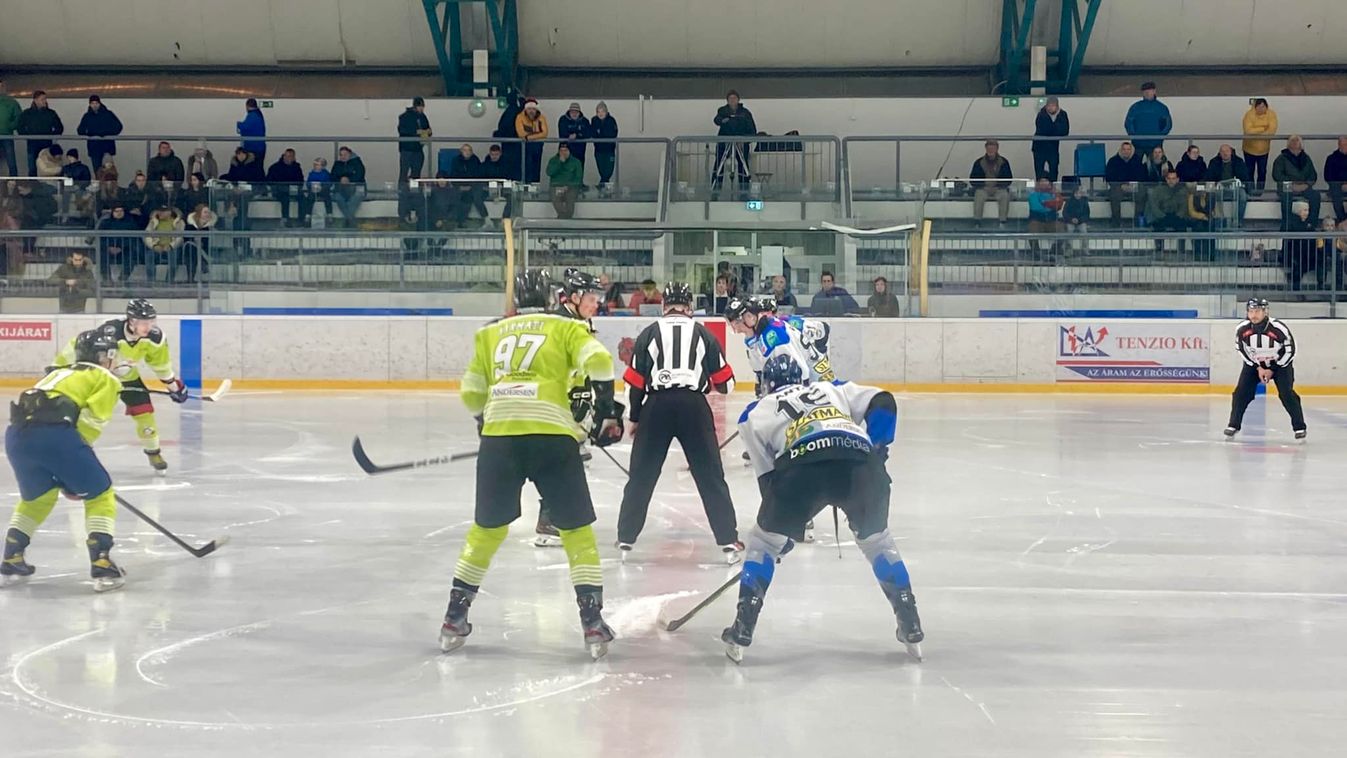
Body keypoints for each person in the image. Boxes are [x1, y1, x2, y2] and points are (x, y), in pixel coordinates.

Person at [441, 269, 623, 659]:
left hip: (500, 439)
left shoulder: (489, 333)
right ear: (551, 295)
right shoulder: (566, 327)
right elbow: (601, 361)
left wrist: (484, 422)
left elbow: (472, 391)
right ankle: (592, 623)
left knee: (485, 531)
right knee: (576, 532)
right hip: (553, 438)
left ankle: (454, 616)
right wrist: (607, 412)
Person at [723, 353, 923, 663]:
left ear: (766, 384)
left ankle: (743, 625)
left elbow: (769, 482)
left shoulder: (753, 413)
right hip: (860, 463)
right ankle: (909, 619)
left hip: (801, 467)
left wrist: (783, 533)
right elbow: (884, 400)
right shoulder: (833, 388)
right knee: (877, 541)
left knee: (763, 543)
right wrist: (876, 449)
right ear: (805, 380)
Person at [616, 281, 740, 561]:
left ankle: (625, 537)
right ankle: (728, 540)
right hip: (693, 407)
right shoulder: (703, 334)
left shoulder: (648, 333)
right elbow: (726, 384)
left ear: (664, 306)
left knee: (641, 476)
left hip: (656, 407)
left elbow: (636, 383)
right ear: (690, 307)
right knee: (710, 475)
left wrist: (635, 417)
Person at [2, 330, 130, 592]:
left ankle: (12, 557)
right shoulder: (105, 377)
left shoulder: (58, 372)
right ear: (101, 357)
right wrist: (74, 474)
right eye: (110, 355)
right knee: (100, 493)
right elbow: (90, 424)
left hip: (16, 436)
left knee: (37, 499)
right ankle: (102, 563)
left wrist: (66, 472)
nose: (112, 361)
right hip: (55, 436)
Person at [51, 299, 187, 474]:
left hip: (128, 377)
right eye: (143, 322)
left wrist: (173, 387)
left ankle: (154, 453)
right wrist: (57, 368)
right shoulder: (110, 332)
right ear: (131, 321)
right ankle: (76, 452)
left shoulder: (155, 337)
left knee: (144, 412)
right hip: (102, 378)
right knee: (93, 415)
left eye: (151, 321)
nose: (148, 326)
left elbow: (161, 365)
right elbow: (81, 349)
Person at [1225, 298, 1304, 440]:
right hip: (1254, 366)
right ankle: (1233, 425)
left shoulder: (1279, 328)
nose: (1253, 315)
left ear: (1265, 312)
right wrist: (1258, 367)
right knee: (1241, 393)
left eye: (1257, 311)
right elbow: (1241, 349)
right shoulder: (1242, 329)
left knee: (1287, 394)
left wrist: (1273, 368)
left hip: (1280, 365)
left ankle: (1299, 427)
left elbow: (1290, 351)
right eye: (1250, 311)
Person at [712, 90, 757, 197]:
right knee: (719, 164)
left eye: (734, 98)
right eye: (730, 98)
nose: (732, 100)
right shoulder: (722, 111)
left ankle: (744, 191)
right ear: (727, 100)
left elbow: (752, 129)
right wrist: (723, 121)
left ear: (738, 100)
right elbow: (716, 120)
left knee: (743, 165)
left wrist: (745, 140)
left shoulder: (745, 113)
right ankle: (715, 190)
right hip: (724, 142)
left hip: (741, 143)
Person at [1272, 135, 1320, 224]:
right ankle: (1287, 224)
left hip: (1304, 186)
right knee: (1286, 196)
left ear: (1301, 144)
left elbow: (1313, 175)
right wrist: (1292, 185)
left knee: (1316, 196)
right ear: (1288, 144)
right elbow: (1277, 175)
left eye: (1296, 141)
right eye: (1292, 141)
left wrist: (1306, 185)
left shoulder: (1306, 158)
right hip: (1287, 186)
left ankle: (1311, 223)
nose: (1294, 143)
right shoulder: (1281, 158)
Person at [16, 91, 63, 176]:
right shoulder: (27, 113)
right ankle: (34, 188)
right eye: (42, 99)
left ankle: (48, 188)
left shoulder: (51, 113)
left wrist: (50, 136)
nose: (45, 101)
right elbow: (20, 127)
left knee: (47, 168)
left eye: (45, 99)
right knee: (33, 168)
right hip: (32, 145)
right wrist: (28, 136)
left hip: (46, 146)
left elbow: (59, 127)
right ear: (35, 100)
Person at [1205, 144, 1251, 228]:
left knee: (1243, 195)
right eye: (1222, 151)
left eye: (1227, 151)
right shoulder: (1214, 162)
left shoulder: (1239, 161)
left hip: (1235, 188)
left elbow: (1245, 177)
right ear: (1219, 153)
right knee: (1213, 195)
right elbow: (1209, 177)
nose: (1225, 153)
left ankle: (1237, 221)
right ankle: (1219, 219)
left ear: (1231, 152)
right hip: (1220, 188)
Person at [970, 139, 1012, 225]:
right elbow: (972, 179)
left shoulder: (1004, 162)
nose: (991, 151)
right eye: (989, 149)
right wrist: (982, 186)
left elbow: (1009, 178)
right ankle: (977, 221)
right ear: (985, 149)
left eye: (993, 148)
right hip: (984, 188)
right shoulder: (979, 162)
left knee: (1004, 195)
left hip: (998, 188)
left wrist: (999, 185)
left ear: (997, 149)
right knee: (979, 195)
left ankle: (1002, 221)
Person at [447, 144, 490, 228]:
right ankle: (455, 221)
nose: (467, 152)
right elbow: (453, 176)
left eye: (469, 150)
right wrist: (460, 186)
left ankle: (486, 219)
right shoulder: (456, 160)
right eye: (465, 150)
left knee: (475, 196)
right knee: (460, 196)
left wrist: (470, 185)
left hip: (474, 185)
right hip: (459, 185)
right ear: (461, 151)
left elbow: (478, 175)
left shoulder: (475, 160)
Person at [96, 203, 142, 282]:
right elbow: (100, 238)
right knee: (101, 254)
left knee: (132, 255)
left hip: (125, 248)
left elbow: (134, 238)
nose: (119, 213)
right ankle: (106, 279)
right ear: (112, 213)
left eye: (121, 211)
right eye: (116, 211)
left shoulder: (130, 222)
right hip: (108, 248)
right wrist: (109, 247)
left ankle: (122, 280)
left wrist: (121, 247)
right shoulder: (105, 223)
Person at [76, 95, 122, 172]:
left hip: (104, 147)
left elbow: (119, 126)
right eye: (93, 103)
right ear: (90, 104)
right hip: (97, 148)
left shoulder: (107, 114)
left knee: (108, 172)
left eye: (96, 103)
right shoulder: (88, 116)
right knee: (98, 172)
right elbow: (80, 130)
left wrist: (105, 134)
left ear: (99, 103)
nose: (94, 105)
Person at [1105, 141, 1147, 226]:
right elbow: (1109, 177)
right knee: (1114, 194)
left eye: (1128, 149)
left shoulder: (1137, 161)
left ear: (1131, 150)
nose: (1126, 151)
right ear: (1121, 150)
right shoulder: (1113, 161)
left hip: (1133, 186)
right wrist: (1121, 185)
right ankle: (1116, 222)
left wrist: (1132, 185)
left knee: (1142, 192)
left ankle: (1137, 221)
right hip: (1118, 187)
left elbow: (1142, 176)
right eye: (1124, 149)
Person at [1124, 81, 1171, 155]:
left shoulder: (1162, 108)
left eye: (1150, 90)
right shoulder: (1135, 107)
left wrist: (1159, 137)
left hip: (1155, 145)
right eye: (1145, 91)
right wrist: (1135, 137)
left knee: (1155, 165)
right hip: (1138, 145)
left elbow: (1168, 125)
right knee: (1136, 165)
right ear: (1142, 93)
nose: (1147, 93)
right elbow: (1128, 123)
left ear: (1154, 91)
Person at [1242, 98, 1277, 194]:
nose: (1261, 109)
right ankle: (1250, 191)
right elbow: (1248, 131)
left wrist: (1256, 130)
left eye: (1263, 106)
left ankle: (1259, 192)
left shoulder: (1271, 114)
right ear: (1255, 107)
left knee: (1262, 172)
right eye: (1259, 106)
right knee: (1249, 171)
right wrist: (1263, 128)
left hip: (1264, 150)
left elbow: (1272, 131)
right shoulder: (1249, 115)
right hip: (1249, 149)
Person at [1147, 169, 1195, 237]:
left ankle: (1181, 247)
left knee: (1182, 227)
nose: (1171, 181)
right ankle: (1159, 247)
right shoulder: (1158, 190)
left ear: (1177, 179)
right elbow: (1154, 206)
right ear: (1166, 179)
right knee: (1157, 226)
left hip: (1177, 218)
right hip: (1162, 217)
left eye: (1173, 178)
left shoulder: (1183, 190)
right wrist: (1162, 216)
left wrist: (1178, 216)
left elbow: (1184, 206)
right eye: (1169, 178)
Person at [1282, 200, 1318, 291]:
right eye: (1304, 210)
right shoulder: (1291, 223)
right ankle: (1295, 283)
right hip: (1293, 253)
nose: (1307, 213)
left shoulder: (1307, 224)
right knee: (1303, 262)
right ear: (1298, 211)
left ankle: (1293, 278)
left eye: (1308, 210)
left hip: (1304, 252)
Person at [1031, 96, 1069, 181]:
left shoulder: (1063, 114)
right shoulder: (1041, 114)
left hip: (1053, 147)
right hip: (1039, 147)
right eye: (1049, 106)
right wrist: (1056, 128)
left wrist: (1052, 129)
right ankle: (1040, 190)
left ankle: (1053, 190)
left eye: (1053, 105)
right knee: (1039, 172)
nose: (1050, 108)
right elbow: (1043, 130)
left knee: (1054, 171)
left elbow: (1065, 131)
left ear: (1057, 106)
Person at [143, 206, 185, 283]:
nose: (159, 213)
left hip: (171, 247)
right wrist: (154, 245)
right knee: (149, 257)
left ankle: (169, 281)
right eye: (159, 211)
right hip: (157, 246)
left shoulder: (179, 222)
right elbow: (147, 236)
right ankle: (151, 281)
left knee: (174, 260)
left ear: (169, 212)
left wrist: (171, 246)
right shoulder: (153, 222)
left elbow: (180, 237)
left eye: (163, 211)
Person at [265, 148, 304, 227]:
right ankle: (285, 219)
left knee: (303, 198)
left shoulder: (297, 167)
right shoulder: (275, 167)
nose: (289, 158)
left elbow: (301, 180)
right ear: (284, 156)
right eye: (288, 156)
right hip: (279, 191)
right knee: (285, 198)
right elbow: (269, 180)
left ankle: (301, 219)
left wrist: (296, 187)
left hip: (293, 190)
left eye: (291, 156)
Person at [397, 96, 432, 183]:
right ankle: (403, 194)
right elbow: (403, 130)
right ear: (415, 106)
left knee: (416, 175)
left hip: (418, 149)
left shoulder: (422, 117)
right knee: (404, 174)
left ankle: (414, 193)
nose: (422, 109)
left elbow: (428, 130)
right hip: (407, 149)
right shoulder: (405, 117)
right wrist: (419, 132)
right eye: (420, 107)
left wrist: (427, 131)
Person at [515, 98, 548, 184]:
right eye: (529, 109)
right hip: (525, 146)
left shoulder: (541, 118)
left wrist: (529, 137)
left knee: (536, 167)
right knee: (526, 167)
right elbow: (521, 134)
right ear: (526, 109)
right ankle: (526, 185)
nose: (531, 111)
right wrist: (537, 135)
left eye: (533, 109)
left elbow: (545, 133)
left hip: (537, 146)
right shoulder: (520, 117)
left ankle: (535, 185)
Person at [331, 146, 366, 228]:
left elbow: (360, 175)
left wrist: (349, 180)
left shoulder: (357, 163)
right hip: (341, 189)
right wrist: (340, 180)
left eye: (345, 154)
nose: (343, 157)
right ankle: (351, 220)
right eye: (341, 155)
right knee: (338, 197)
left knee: (355, 198)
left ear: (350, 154)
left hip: (356, 189)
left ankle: (347, 221)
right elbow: (332, 176)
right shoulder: (337, 164)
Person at [546, 143, 583, 219]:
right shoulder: (553, 160)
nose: (563, 153)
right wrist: (559, 163)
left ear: (569, 151)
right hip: (556, 186)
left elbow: (578, 178)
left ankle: (562, 220)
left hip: (571, 187)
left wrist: (568, 186)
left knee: (570, 202)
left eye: (565, 150)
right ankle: (565, 219)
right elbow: (549, 172)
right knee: (556, 200)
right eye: (561, 151)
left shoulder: (576, 162)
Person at [1027, 176, 1062, 256]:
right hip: (1037, 220)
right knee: (1032, 231)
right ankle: (1036, 253)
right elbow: (1036, 207)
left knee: (1063, 230)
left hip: (1051, 220)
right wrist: (1050, 205)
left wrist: (1045, 203)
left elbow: (1058, 205)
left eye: (1046, 181)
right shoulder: (1033, 195)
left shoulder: (1055, 194)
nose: (1044, 183)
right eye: (1041, 181)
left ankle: (1054, 251)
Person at [183, 203, 217, 282]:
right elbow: (186, 238)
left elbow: (206, 242)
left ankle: (191, 278)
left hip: (204, 250)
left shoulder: (208, 227)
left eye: (208, 212)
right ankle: (202, 263)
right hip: (189, 249)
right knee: (192, 248)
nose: (207, 214)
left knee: (194, 251)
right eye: (205, 212)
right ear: (199, 213)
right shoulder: (190, 225)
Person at [590, 102, 619, 191]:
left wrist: (601, 133)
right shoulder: (594, 120)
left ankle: (603, 185)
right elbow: (593, 133)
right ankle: (605, 187)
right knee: (601, 169)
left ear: (606, 112)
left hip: (609, 150)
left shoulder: (611, 120)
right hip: (599, 150)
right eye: (598, 112)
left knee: (608, 170)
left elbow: (613, 134)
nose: (600, 114)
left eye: (602, 111)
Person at [557, 102, 590, 175]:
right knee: (565, 170)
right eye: (572, 112)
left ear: (579, 112)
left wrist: (576, 135)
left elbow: (588, 134)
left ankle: (579, 185)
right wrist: (571, 135)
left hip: (580, 151)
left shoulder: (585, 121)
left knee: (579, 169)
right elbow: (562, 133)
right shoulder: (563, 120)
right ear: (569, 112)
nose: (574, 114)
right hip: (565, 149)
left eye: (576, 112)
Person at [300, 157, 332, 225]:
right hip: (313, 191)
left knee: (327, 198)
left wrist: (322, 187)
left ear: (322, 166)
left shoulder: (326, 174)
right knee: (310, 198)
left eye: (318, 165)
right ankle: (308, 214)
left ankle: (329, 214)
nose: (315, 166)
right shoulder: (311, 173)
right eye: (315, 164)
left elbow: (329, 183)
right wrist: (311, 186)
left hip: (323, 191)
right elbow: (308, 182)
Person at [1324, 136, 1347, 224]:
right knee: (1335, 191)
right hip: (1336, 186)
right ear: (1339, 145)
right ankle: (1342, 220)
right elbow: (1328, 176)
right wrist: (1341, 185)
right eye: (1344, 144)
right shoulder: (1331, 158)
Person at [236, 98, 267, 165]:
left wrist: (238, 124)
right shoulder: (258, 114)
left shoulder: (252, 115)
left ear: (247, 106)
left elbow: (245, 127)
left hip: (253, 148)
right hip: (259, 147)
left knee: (253, 168)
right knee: (258, 168)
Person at [0, 77, 19, 177]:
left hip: (7, 136)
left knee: (11, 162)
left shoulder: (12, 102)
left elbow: (18, 118)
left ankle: (14, 183)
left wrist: (9, 127)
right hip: (7, 136)